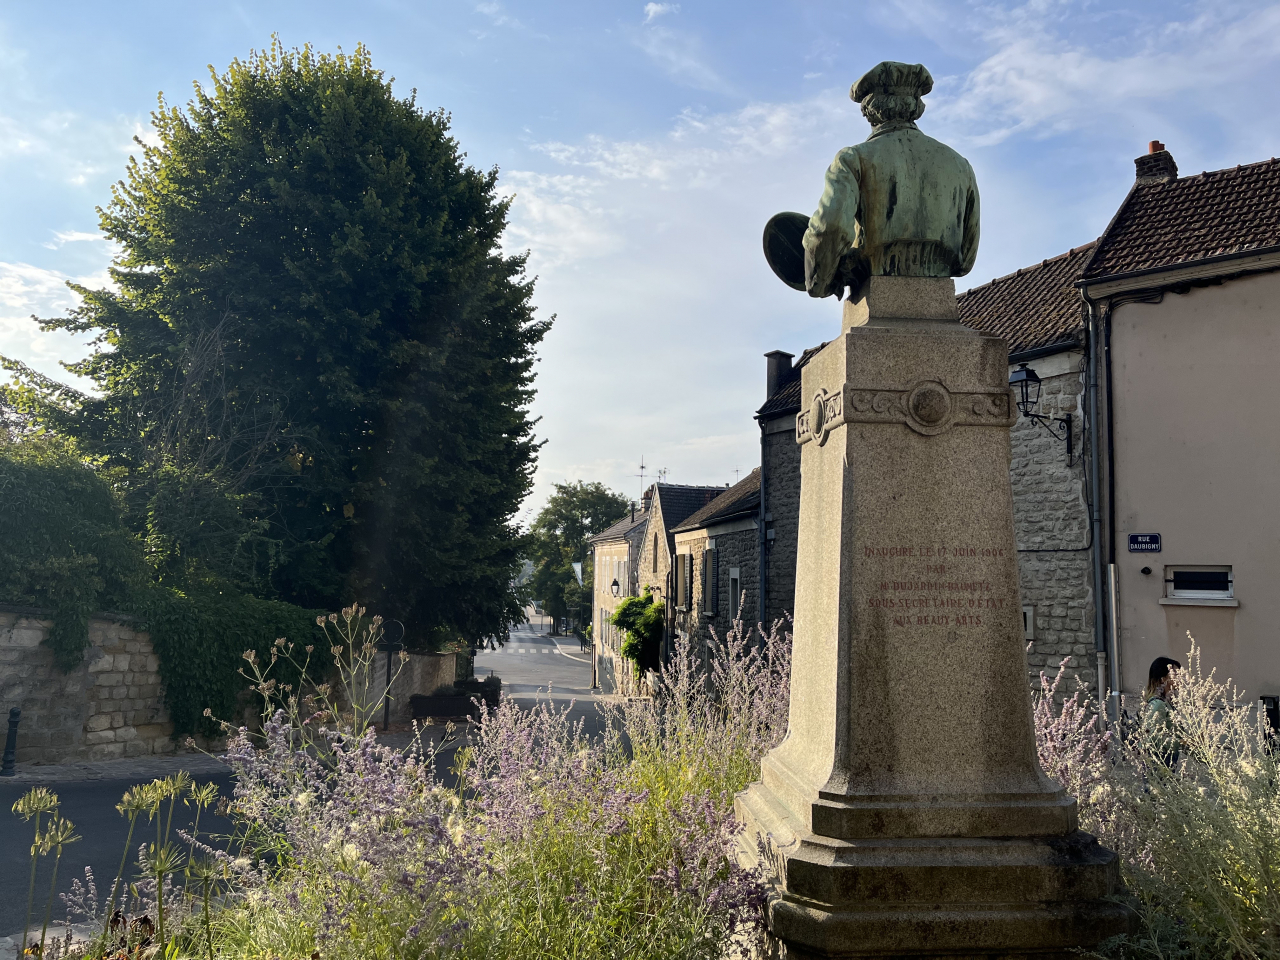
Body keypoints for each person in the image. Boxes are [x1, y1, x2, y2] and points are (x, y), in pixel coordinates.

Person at [1142, 656, 1182, 768]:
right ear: (1163, 678)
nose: (1180, 678)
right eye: (1175, 674)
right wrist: (1182, 742)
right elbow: (1152, 739)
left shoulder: (1167, 703)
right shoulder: (1157, 704)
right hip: (1158, 762)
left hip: (1166, 760)